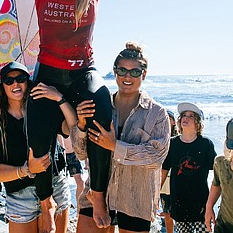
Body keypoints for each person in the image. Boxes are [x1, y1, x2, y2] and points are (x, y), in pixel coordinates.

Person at [10, 0, 137, 230]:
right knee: (38, 137)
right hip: (48, 70)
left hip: (83, 71)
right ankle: (45, 199)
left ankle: (97, 194)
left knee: (101, 106)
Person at [72, 42, 170, 233]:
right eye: (122, 70)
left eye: (135, 72)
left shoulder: (156, 113)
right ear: (115, 72)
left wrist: (115, 146)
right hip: (96, 194)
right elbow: (81, 153)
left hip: (135, 198)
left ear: (144, 74)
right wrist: (82, 125)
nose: (128, 76)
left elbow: (156, 157)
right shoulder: (100, 105)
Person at [0, 62, 74, 233]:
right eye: (9, 81)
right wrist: (25, 169)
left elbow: (71, 126)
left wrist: (59, 98)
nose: (15, 84)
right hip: (20, 194)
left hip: (56, 185)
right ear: (3, 86)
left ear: (27, 82)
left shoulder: (43, 109)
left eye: (20, 79)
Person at [162, 102, 216, 233]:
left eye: (191, 116)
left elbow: (218, 173)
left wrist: (212, 203)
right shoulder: (172, 144)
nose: (185, 118)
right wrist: (154, 198)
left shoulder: (205, 144)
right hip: (178, 202)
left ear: (198, 123)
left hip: (200, 204)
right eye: (183, 115)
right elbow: (163, 171)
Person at [159, 109, 177, 233]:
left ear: (174, 122)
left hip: (175, 181)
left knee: (175, 212)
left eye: (168, 118)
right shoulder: (158, 136)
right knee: (167, 212)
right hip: (162, 181)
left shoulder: (178, 139)